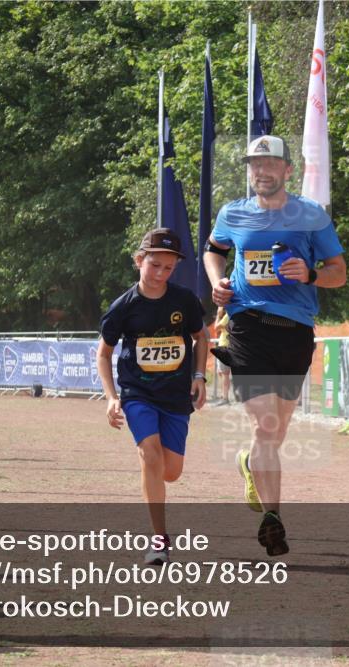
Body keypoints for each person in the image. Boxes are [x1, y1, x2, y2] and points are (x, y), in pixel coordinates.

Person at [204, 135, 346, 557]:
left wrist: (311, 274)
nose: (261, 172)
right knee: (266, 427)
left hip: (295, 331)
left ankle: (250, 463)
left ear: (287, 170)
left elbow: (339, 272)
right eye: (254, 164)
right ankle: (274, 519)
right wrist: (218, 283)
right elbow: (214, 251)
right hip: (247, 326)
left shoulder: (311, 216)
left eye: (270, 164)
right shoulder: (233, 213)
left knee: (275, 432)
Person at [97, 228, 208, 566]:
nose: (161, 273)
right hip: (138, 393)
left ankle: (151, 468)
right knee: (150, 454)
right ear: (139, 261)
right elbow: (104, 354)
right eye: (154, 265)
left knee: (170, 471)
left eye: (168, 268)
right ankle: (159, 540)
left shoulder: (184, 301)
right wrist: (111, 397)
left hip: (175, 395)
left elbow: (201, 338)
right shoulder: (123, 307)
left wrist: (199, 376)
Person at [212, 306, 232, 406]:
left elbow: (216, 328)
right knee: (221, 372)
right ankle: (224, 394)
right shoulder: (231, 315)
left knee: (224, 374)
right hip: (225, 345)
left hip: (225, 345)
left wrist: (218, 316)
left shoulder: (228, 315)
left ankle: (225, 398)